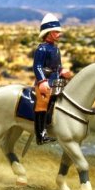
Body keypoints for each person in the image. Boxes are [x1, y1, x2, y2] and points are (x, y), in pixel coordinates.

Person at [33, 13, 71, 145]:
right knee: (42, 104)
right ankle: (41, 135)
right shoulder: (42, 49)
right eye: (56, 31)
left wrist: (62, 71)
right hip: (46, 81)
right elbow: (37, 66)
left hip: (56, 80)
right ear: (49, 33)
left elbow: (57, 66)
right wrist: (42, 81)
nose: (59, 34)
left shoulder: (56, 49)